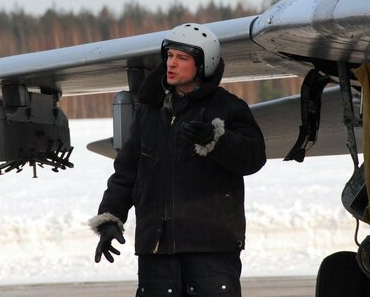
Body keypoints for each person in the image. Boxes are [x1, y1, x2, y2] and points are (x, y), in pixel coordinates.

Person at [89, 23, 267, 297]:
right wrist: (111, 219)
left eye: (182, 58)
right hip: (156, 248)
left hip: (211, 247)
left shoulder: (229, 108)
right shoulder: (149, 112)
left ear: (204, 64)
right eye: (169, 56)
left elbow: (253, 158)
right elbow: (127, 171)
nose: (171, 64)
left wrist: (216, 139)